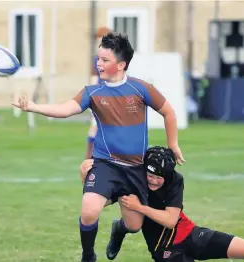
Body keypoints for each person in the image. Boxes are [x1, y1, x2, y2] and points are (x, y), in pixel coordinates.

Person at [12, 32, 185, 262]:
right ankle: (88, 256)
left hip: (135, 169)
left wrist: (173, 144)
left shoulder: (141, 89)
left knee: (134, 225)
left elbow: (168, 112)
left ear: (121, 64)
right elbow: (66, 109)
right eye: (98, 59)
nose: (99, 64)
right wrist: (33, 107)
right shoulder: (92, 92)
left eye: (105, 60)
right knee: (89, 209)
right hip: (106, 164)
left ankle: (119, 229)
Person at [80, 147, 244, 262]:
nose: (154, 181)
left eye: (159, 178)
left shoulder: (175, 179)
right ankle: (120, 228)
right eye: (150, 175)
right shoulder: (134, 181)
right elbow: (99, 203)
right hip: (165, 250)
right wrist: (85, 178)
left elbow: (171, 220)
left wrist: (140, 207)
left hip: (191, 234)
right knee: (132, 225)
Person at [86, 26, 112, 159]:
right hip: (101, 97)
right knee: (95, 127)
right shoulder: (97, 59)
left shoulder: (115, 58)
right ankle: (90, 159)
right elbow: (93, 78)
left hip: (113, 97)